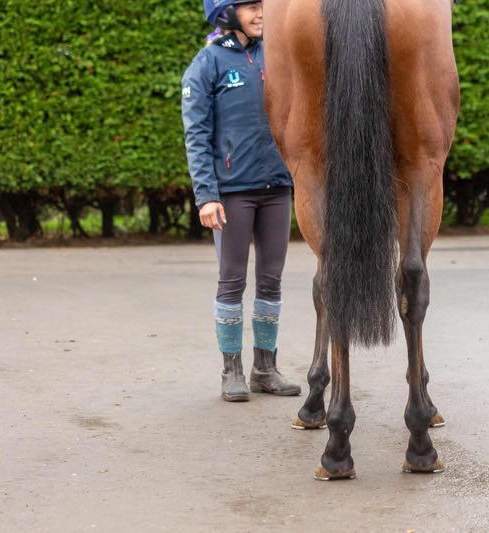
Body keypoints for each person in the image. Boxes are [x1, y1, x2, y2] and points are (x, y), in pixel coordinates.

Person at [182, 0, 301, 401]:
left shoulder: (277, 54)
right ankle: (231, 371)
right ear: (226, 12)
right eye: (251, 6)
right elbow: (196, 135)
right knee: (232, 281)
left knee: (271, 281)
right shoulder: (207, 63)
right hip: (232, 193)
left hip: (277, 187)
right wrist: (206, 196)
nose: (261, 13)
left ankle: (265, 369)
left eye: (262, 4)